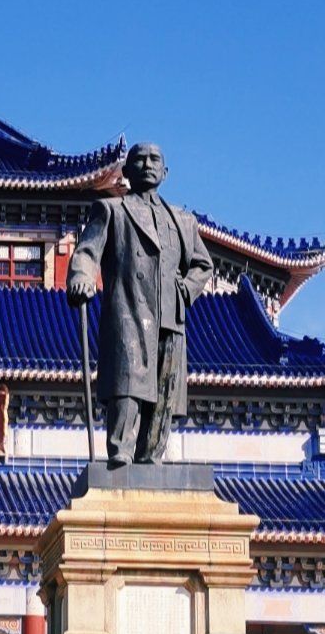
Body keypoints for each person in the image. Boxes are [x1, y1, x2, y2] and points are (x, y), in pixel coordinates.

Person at [66, 142, 218, 468]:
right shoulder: (112, 211)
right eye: (140, 159)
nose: (148, 164)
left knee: (165, 385)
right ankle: (120, 447)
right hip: (129, 307)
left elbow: (203, 266)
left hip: (170, 314)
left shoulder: (183, 221)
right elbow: (87, 251)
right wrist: (82, 277)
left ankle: (151, 452)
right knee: (128, 378)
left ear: (165, 171)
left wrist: (186, 290)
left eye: (155, 159)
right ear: (126, 171)